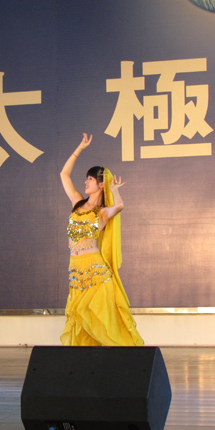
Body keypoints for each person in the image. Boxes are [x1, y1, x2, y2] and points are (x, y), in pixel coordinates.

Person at [59, 133, 144, 346]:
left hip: (95, 270)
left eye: (90, 179)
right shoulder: (77, 203)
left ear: (100, 185)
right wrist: (80, 148)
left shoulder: (102, 213)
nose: (86, 182)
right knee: (82, 321)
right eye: (86, 178)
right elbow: (64, 174)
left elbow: (120, 206)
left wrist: (114, 190)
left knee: (99, 317)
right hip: (75, 269)